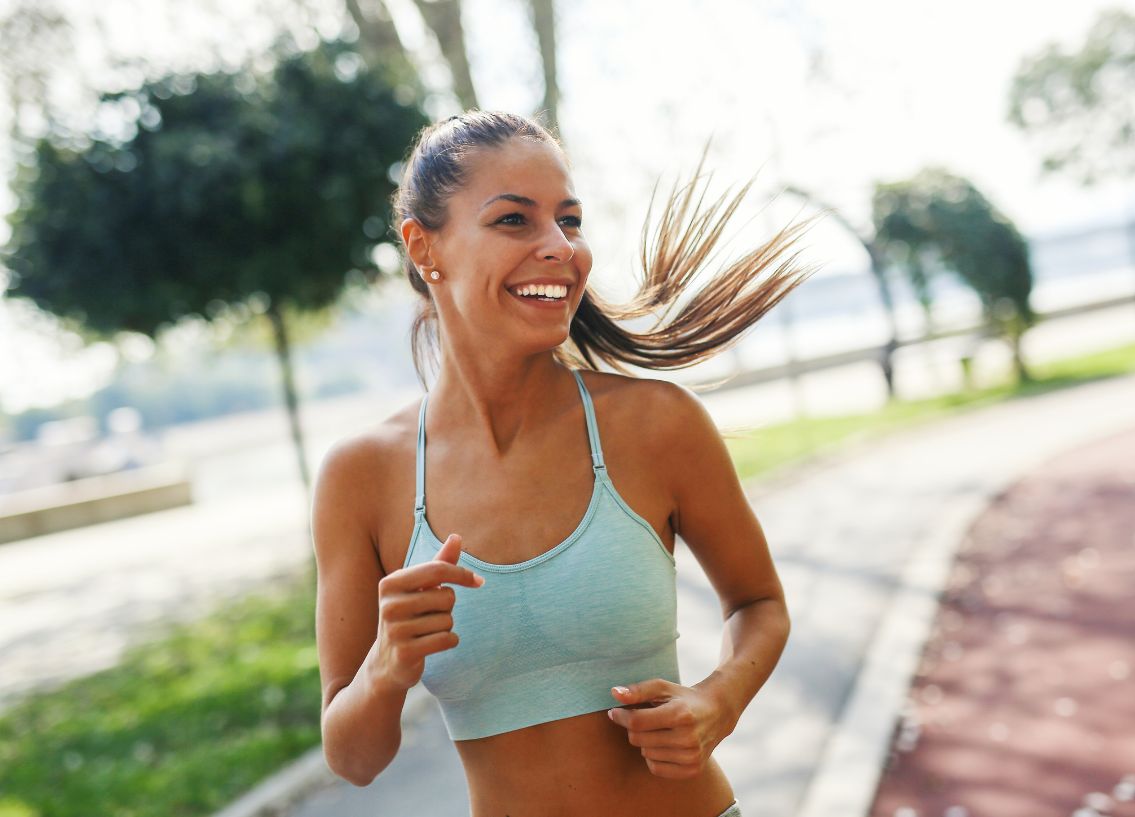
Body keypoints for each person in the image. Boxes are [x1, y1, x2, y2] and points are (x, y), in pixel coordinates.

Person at [312, 110, 816, 817]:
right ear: (426, 248)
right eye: (515, 221)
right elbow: (352, 757)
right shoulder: (361, 475)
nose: (562, 247)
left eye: (569, 221)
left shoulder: (655, 424)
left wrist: (718, 700)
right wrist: (386, 666)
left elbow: (759, 603)